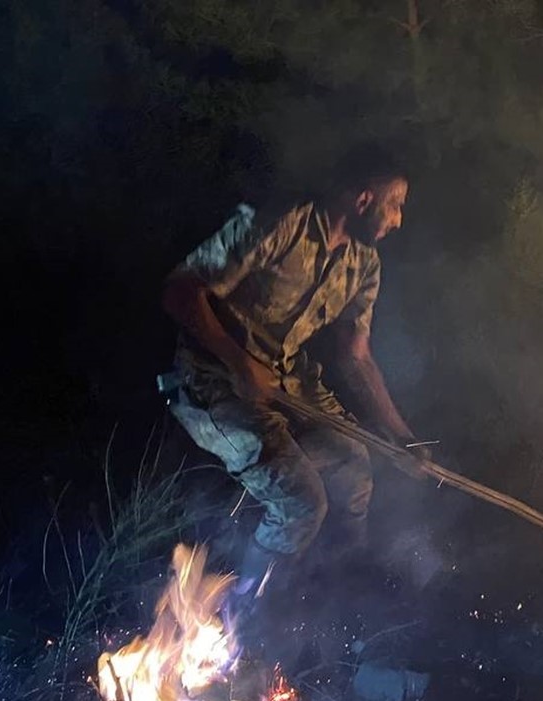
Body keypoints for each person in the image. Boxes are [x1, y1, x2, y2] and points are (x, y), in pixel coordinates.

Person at [162, 145, 424, 605]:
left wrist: (400, 436)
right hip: (211, 379)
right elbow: (181, 291)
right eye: (395, 204)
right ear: (363, 199)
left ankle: (344, 592)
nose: (400, 220)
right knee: (302, 502)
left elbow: (356, 356)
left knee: (355, 466)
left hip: (287, 382)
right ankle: (244, 620)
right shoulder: (279, 223)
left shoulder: (364, 264)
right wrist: (239, 362)